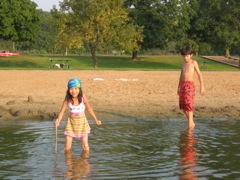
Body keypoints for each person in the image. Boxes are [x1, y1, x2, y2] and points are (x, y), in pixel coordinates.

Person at [55, 78, 101, 152]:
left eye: (76, 89)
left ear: (79, 89)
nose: (74, 91)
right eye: (71, 89)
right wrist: (58, 121)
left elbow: (89, 108)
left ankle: (85, 162)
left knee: (85, 146)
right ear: (68, 90)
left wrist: (96, 119)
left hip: (82, 123)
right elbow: (62, 112)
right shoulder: (67, 99)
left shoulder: (83, 98)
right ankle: (68, 161)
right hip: (71, 124)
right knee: (67, 147)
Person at [177, 46, 205, 128]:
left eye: (187, 56)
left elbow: (199, 74)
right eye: (184, 56)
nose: (185, 58)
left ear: (191, 55)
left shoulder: (193, 63)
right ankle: (192, 122)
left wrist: (202, 86)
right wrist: (178, 87)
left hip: (190, 85)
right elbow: (181, 75)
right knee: (183, 106)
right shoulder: (183, 64)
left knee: (189, 105)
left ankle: (190, 126)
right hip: (183, 85)